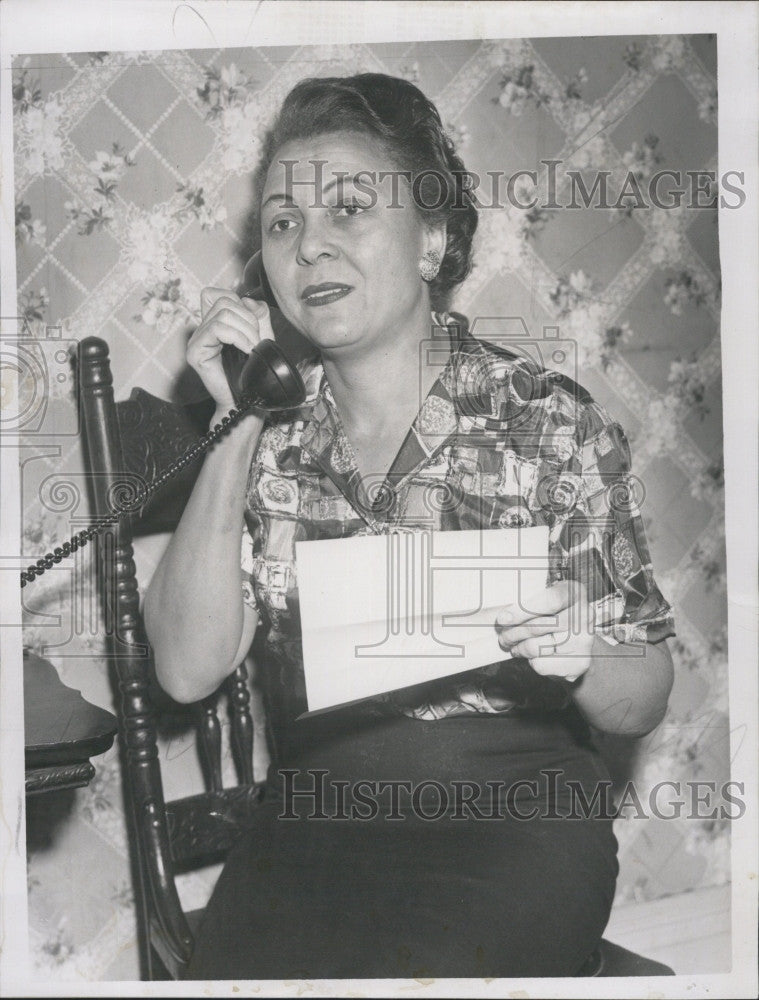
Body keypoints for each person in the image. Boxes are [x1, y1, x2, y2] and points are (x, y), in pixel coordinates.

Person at [144, 73, 675, 980]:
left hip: (511, 817)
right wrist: (236, 422)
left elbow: (644, 695)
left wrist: (579, 647)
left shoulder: (545, 420)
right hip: (315, 821)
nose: (310, 246)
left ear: (431, 240)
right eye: (281, 225)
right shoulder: (269, 439)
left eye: (348, 209)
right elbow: (187, 671)